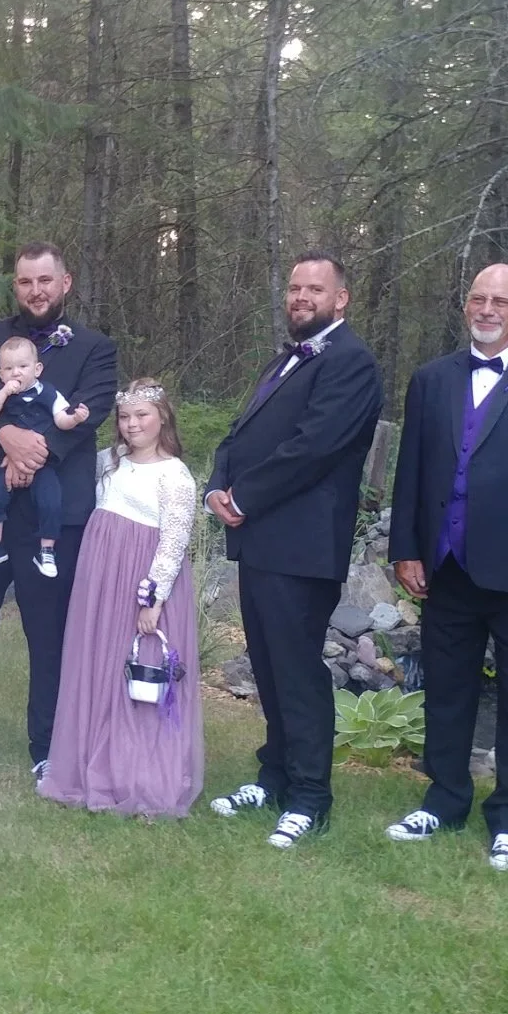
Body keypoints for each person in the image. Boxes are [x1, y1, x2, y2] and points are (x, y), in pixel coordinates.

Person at [383, 263, 508, 869]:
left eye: (501, 301)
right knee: (446, 690)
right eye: (478, 298)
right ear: (466, 305)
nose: (487, 309)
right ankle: (444, 798)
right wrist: (406, 547)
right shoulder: (431, 379)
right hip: (447, 565)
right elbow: (412, 471)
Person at [204, 252, 383, 849]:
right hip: (261, 542)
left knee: (299, 673)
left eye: (315, 288)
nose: (301, 296)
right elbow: (241, 431)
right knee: (271, 669)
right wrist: (216, 485)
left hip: (302, 546)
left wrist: (245, 495)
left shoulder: (351, 362)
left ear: (341, 299)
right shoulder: (288, 357)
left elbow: (315, 447)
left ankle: (310, 796)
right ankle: (274, 774)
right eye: (294, 287)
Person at [0, 243, 118, 781]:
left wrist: (34, 454)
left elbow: (92, 409)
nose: (35, 290)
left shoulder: (95, 346)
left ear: (66, 283)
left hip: (54, 515)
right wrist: (8, 439)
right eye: (24, 282)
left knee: (50, 634)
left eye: (45, 280)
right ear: (14, 286)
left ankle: (47, 749)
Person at [39, 378, 202, 818]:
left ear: (162, 417)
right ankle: (92, 761)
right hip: (100, 576)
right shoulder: (109, 461)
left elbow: (173, 541)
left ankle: (141, 775)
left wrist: (155, 599)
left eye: (141, 416)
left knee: (138, 677)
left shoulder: (174, 475)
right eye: (125, 417)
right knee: (98, 665)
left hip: (139, 579)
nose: (132, 425)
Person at [0, 334, 91, 577]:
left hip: (41, 463)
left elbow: (61, 420)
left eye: (22, 366)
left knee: (51, 499)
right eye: (8, 369)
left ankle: (46, 549)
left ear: (37, 369)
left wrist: (75, 418)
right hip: (3, 460)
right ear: (0, 374)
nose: (15, 373)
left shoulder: (49, 393)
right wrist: (4, 393)